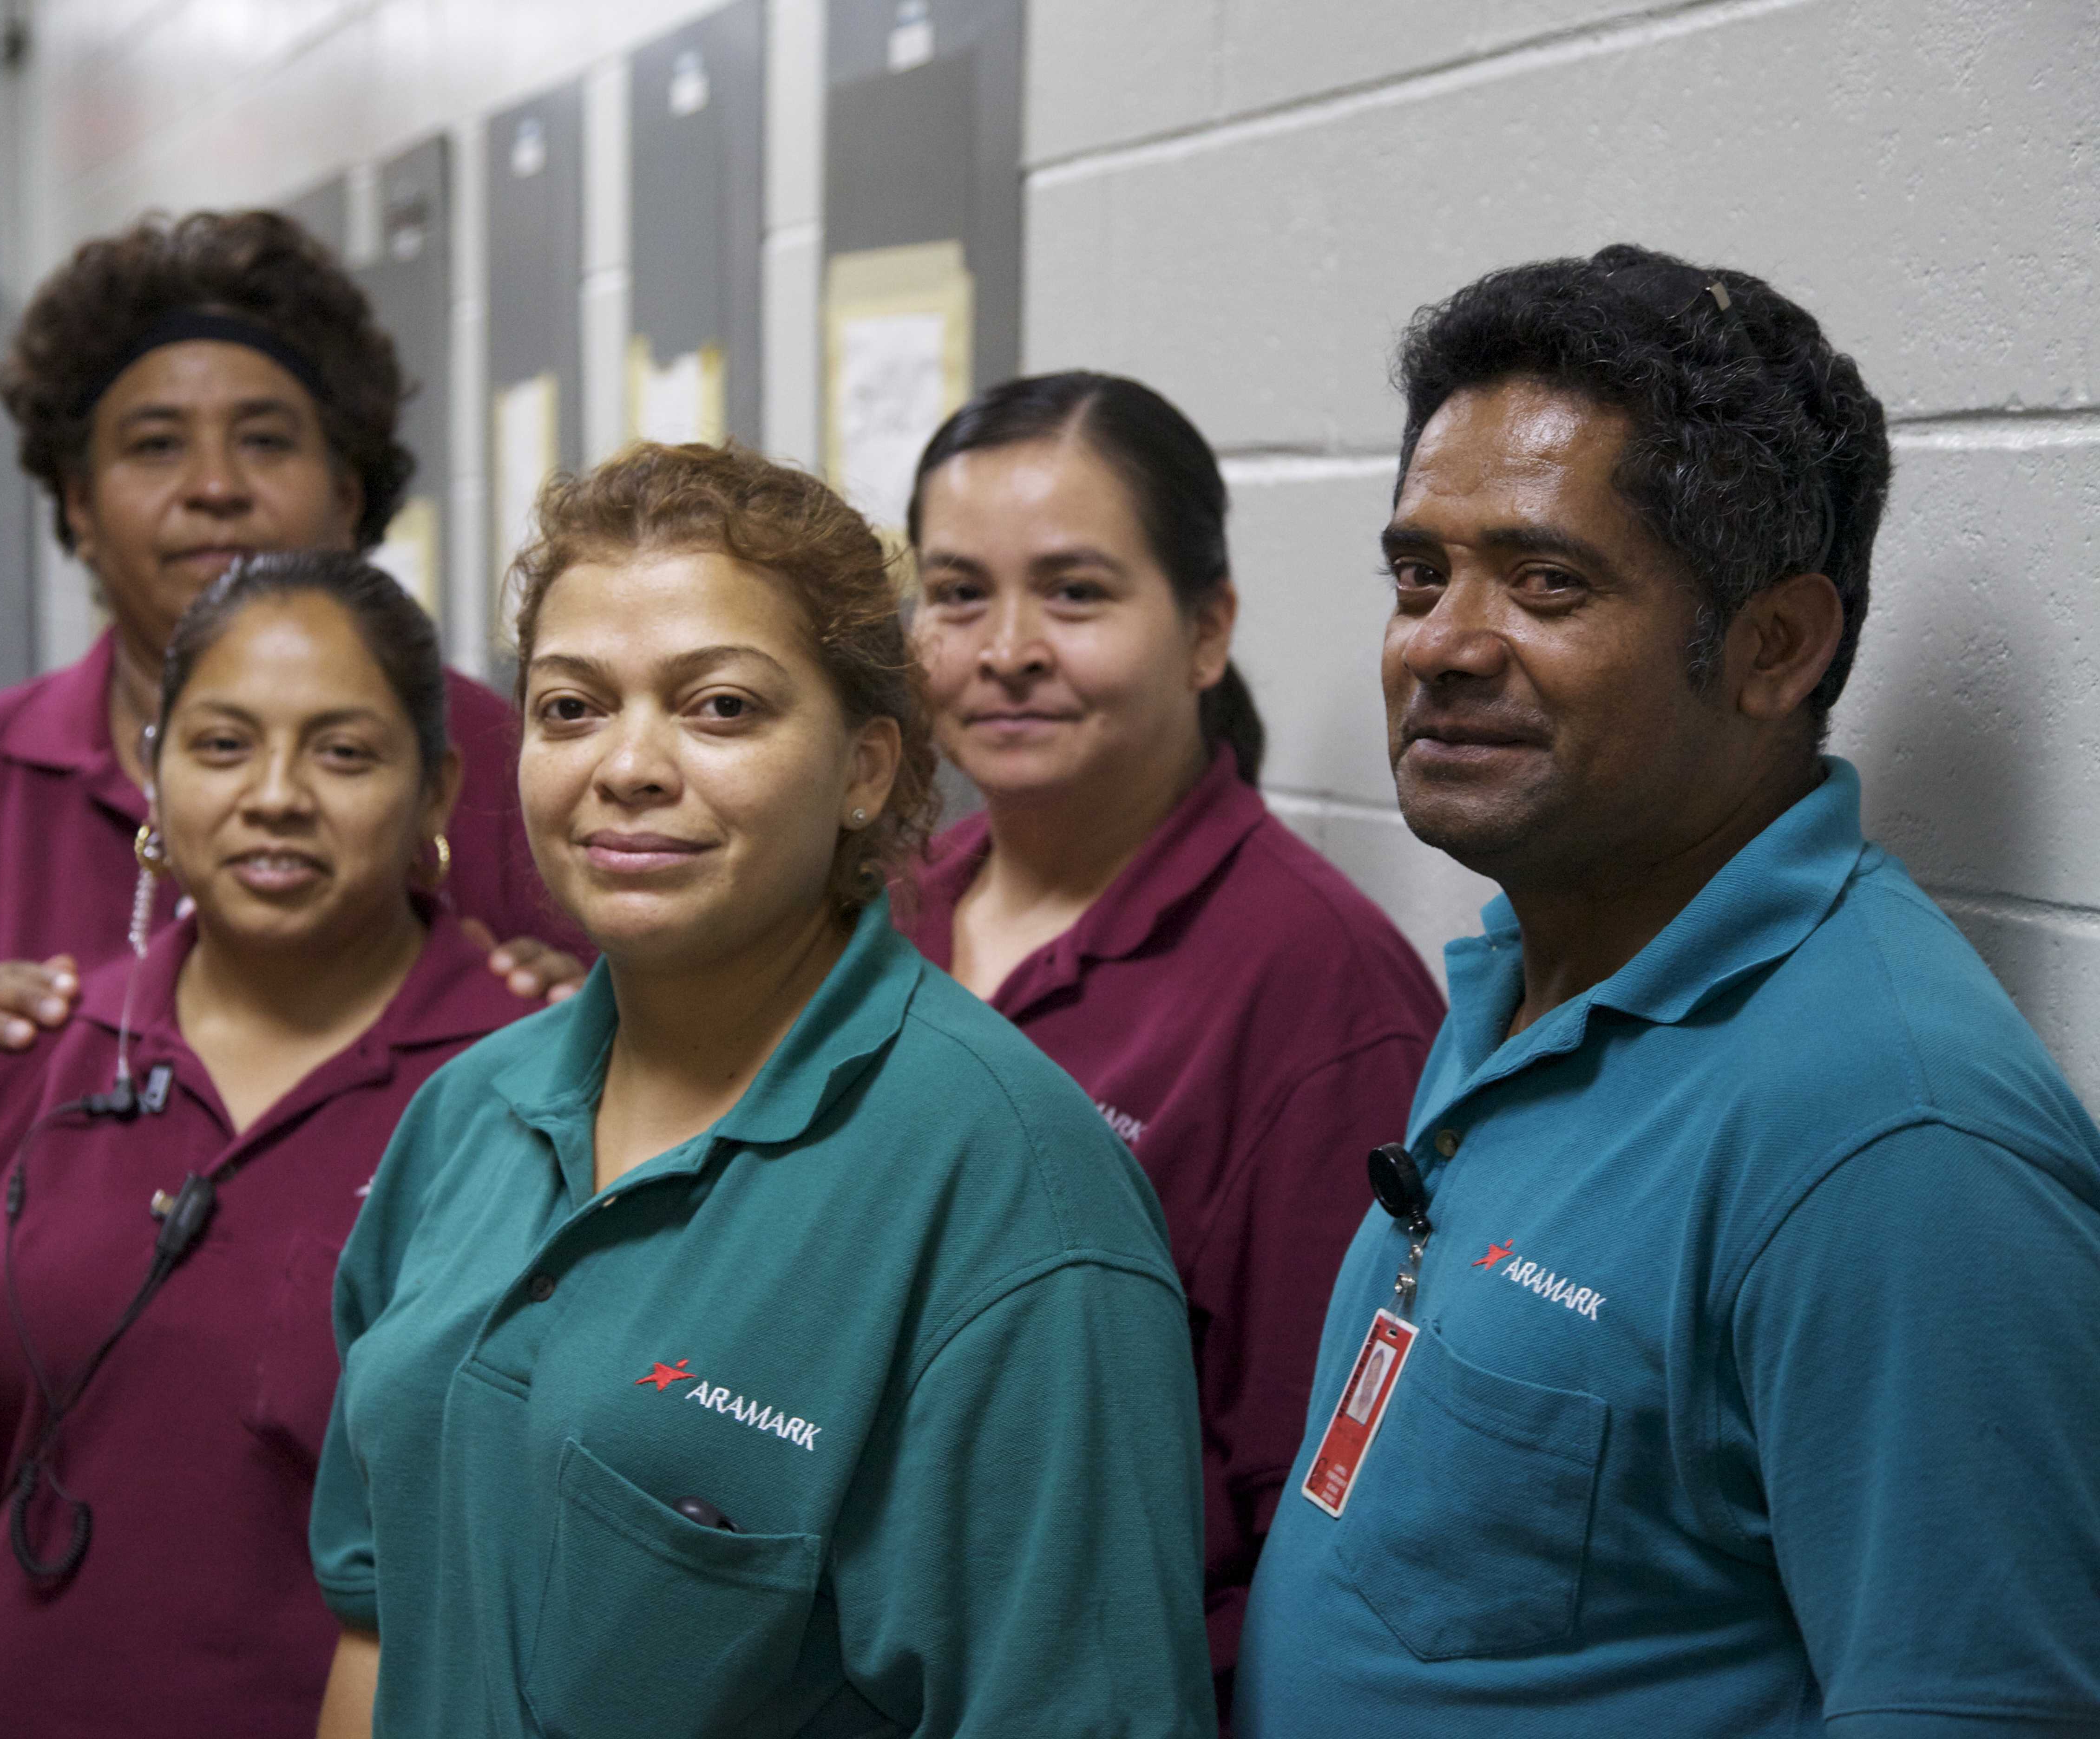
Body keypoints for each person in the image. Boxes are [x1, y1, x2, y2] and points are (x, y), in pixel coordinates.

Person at [1234, 245, 2100, 1735]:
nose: (1441, 645)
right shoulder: (1531, 975)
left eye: (1547, 583)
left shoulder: (1895, 1139)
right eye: (1420, 574)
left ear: (1775, 648)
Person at [308, 443, 1215, 1737]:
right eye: (571, 708)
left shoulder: (1010, 1194)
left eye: (720, 708)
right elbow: (379, 1616)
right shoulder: (468, 1115)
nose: (628, 764)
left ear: (865, 771)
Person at [0, 210, 580, 1272]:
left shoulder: (506, 762)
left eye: (266, 439)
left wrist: (592, 1044)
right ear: (77, 501)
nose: (214, 485)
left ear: (349, 492)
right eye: (155, 445)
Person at [0, 553, 530, 1738]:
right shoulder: (20, 1056)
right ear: (154, 776)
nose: (277, 794)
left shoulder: (531, 1090)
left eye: (343, 752)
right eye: (222, 745)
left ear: (436, 792)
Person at [900, 372, 1444, 1708]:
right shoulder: (881, 915)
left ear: (1207, 632)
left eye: (1076, 593)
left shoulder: (1323, 996)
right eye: (959, 593)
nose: (1007, 646)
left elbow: (1329, 1526)